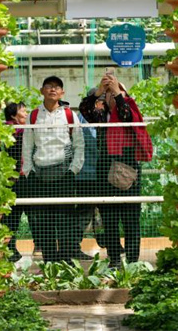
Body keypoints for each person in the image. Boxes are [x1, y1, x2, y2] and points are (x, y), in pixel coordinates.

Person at [79, 72, 152, 267]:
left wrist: (118, 93)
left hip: (128, 164)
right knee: (109, 216)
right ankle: (114, 261)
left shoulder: (128, 106)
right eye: (109, 92)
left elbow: (127, 114)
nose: (111, 94)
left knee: (130, 217)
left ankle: (133, 261)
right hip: (105, 165)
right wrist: (99, 92)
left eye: (115, 91)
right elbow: (85, 110)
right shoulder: (100, 112)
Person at [22, 76, 84, 264]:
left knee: (65, 221)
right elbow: (27, 146)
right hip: (39, 176)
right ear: (42, 91)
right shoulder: (33, 116)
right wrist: (29, 171)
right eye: (49, 86)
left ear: (62, 92)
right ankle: (49, 262)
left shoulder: (69, 115)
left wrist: (73, 170)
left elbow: (79, 145)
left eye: (57, 87)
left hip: (64, 175)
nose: (53, 89)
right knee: (44, 222)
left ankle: (66, 262)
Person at [0, 102, 38, 262]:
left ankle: (37, 246)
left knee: (28, 213)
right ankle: (9, 248)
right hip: (16, 178)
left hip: (23, 176)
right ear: (14, 115)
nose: (26, 113)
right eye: (23, 111)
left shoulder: (22, 130)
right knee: (15, 214)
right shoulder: (13, 131)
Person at [71, 91, 101, 261]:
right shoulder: (82, 120)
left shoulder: (93, 118)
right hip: (87, 174)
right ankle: (73, 247)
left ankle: (108, 243)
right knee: (84, 211)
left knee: (95, 210)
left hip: (94, 173)